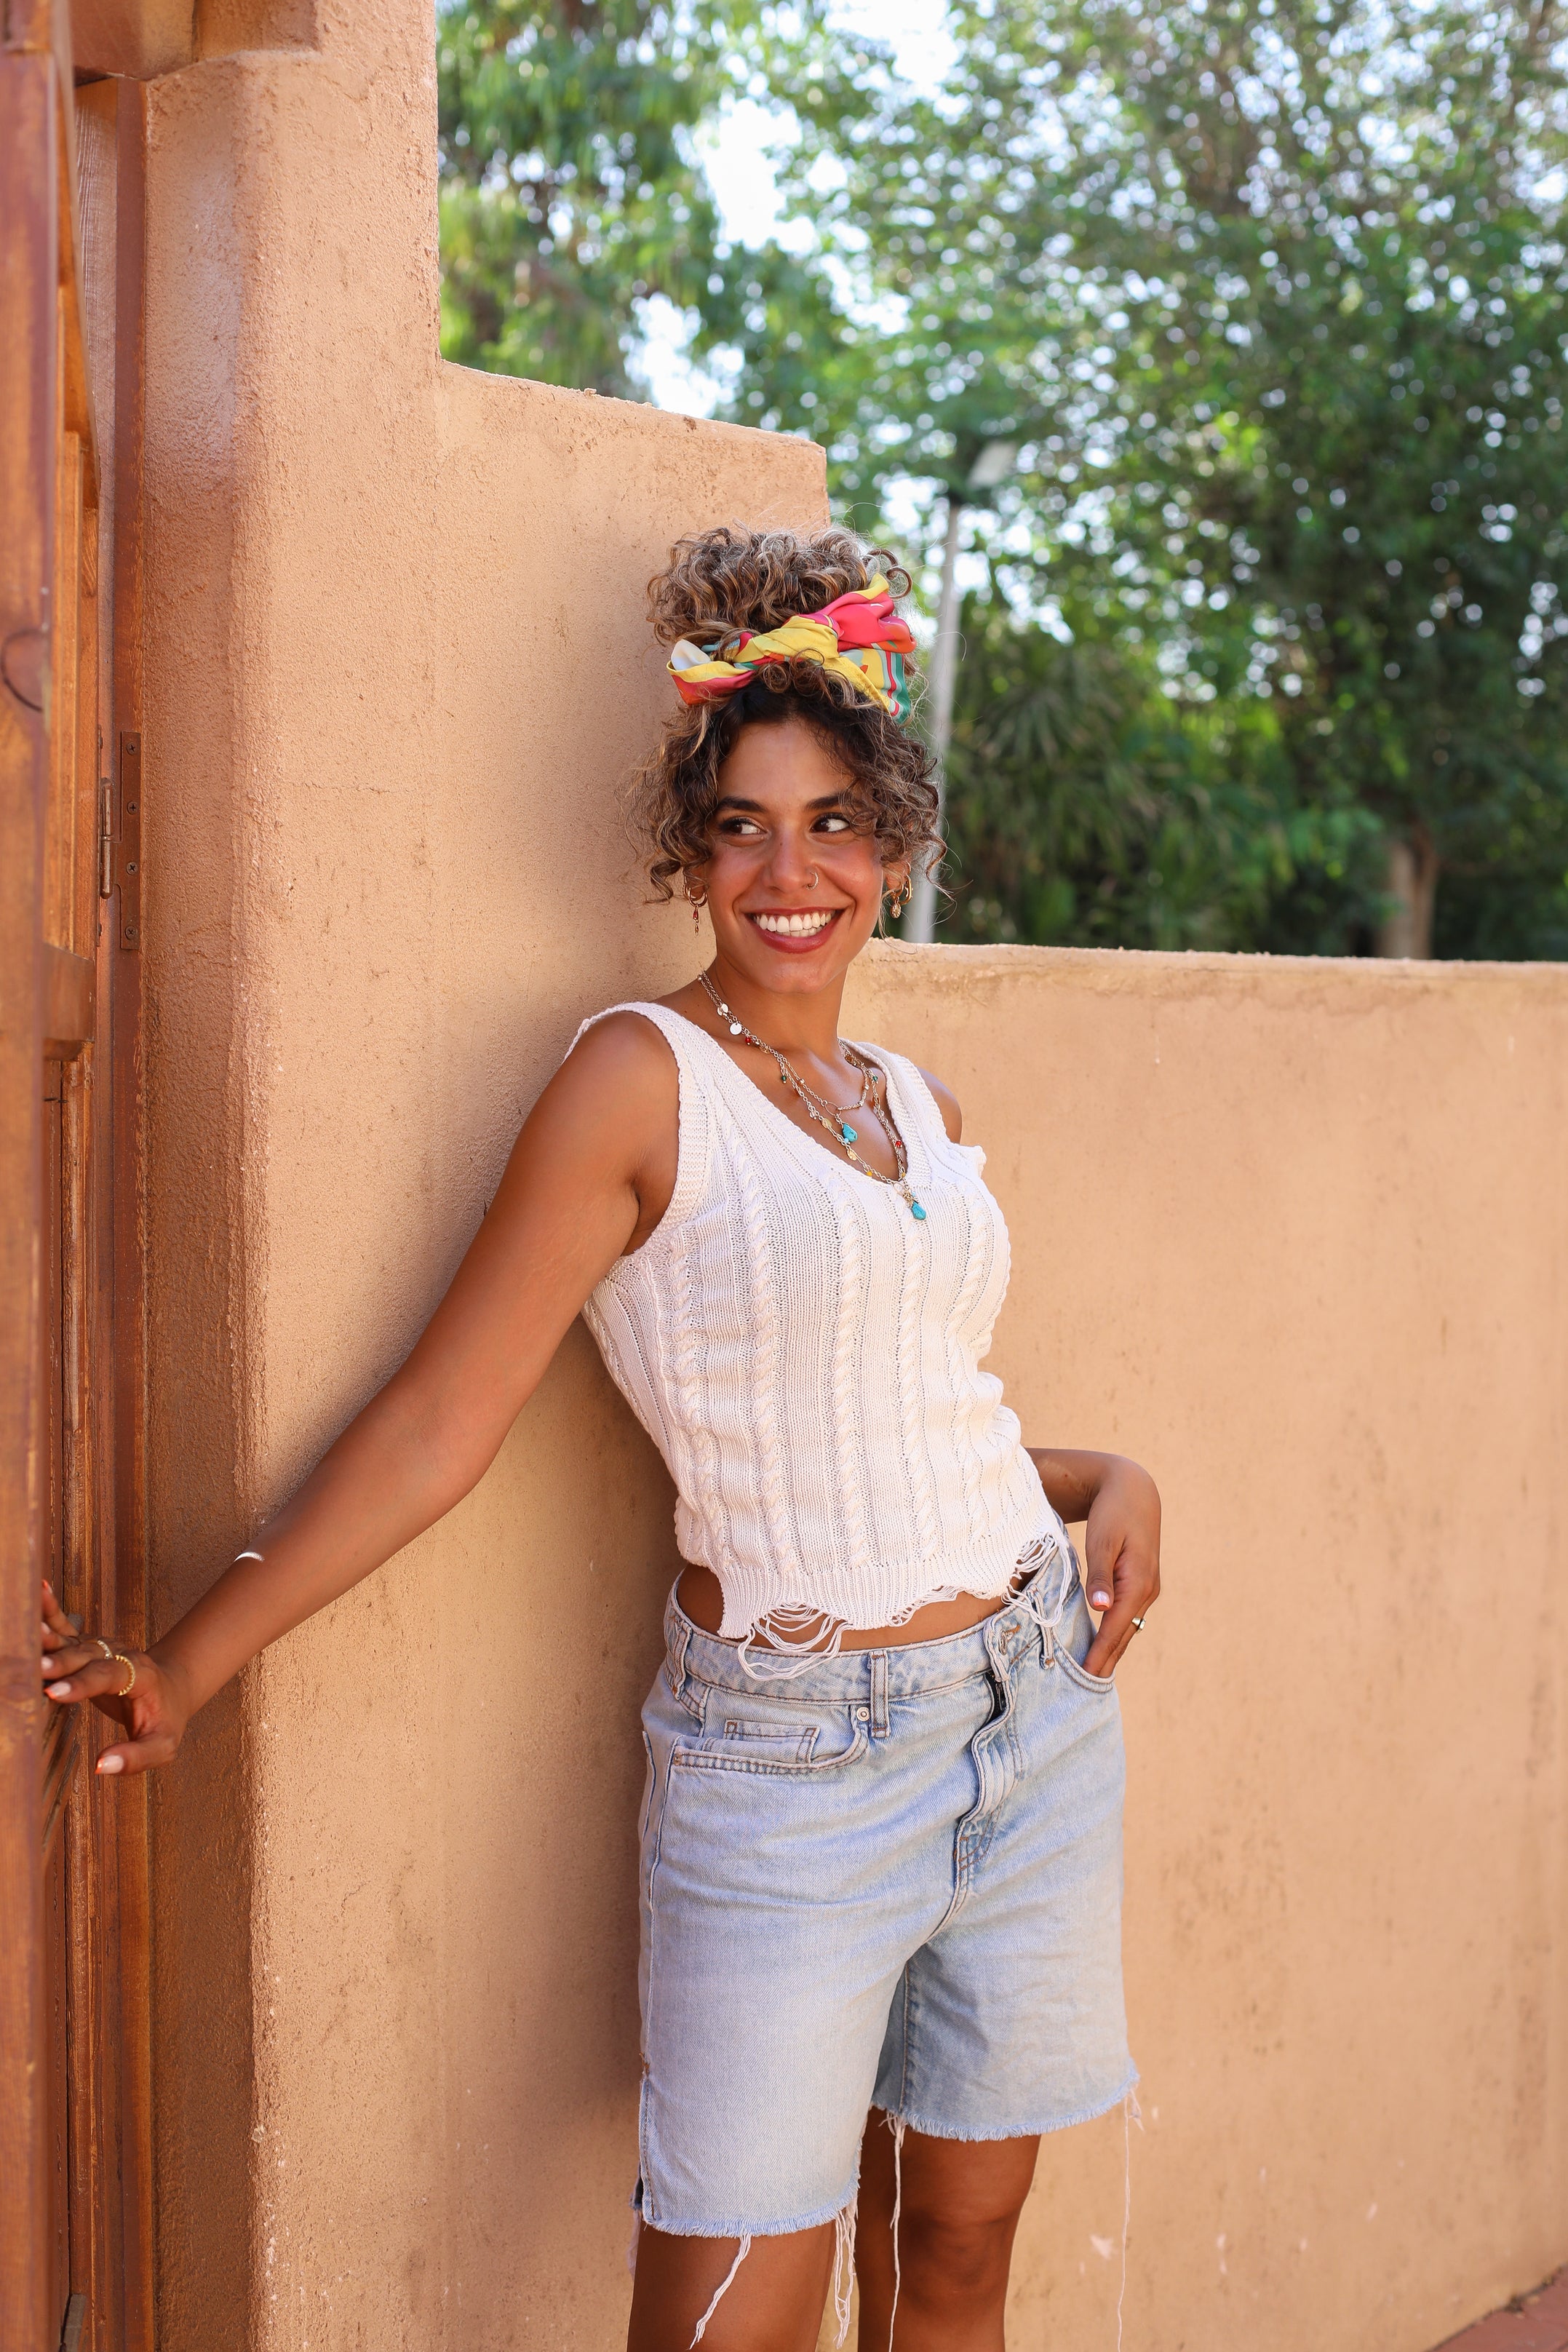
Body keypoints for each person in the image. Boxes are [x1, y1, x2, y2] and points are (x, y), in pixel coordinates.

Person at [41, 524, 1161, 2352]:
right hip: (792, 1768)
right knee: (726, 2313)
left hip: (1032, 1714)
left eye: (828, 823)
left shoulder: (918, 1104)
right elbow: (436, 1420)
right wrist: (191, 1656)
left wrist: (1111, 1479)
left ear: (891, 842)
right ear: (691, 846)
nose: (787, 869)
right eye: (740, 823)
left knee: (960, 2250)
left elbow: (913, 1405)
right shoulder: (636, 1078)